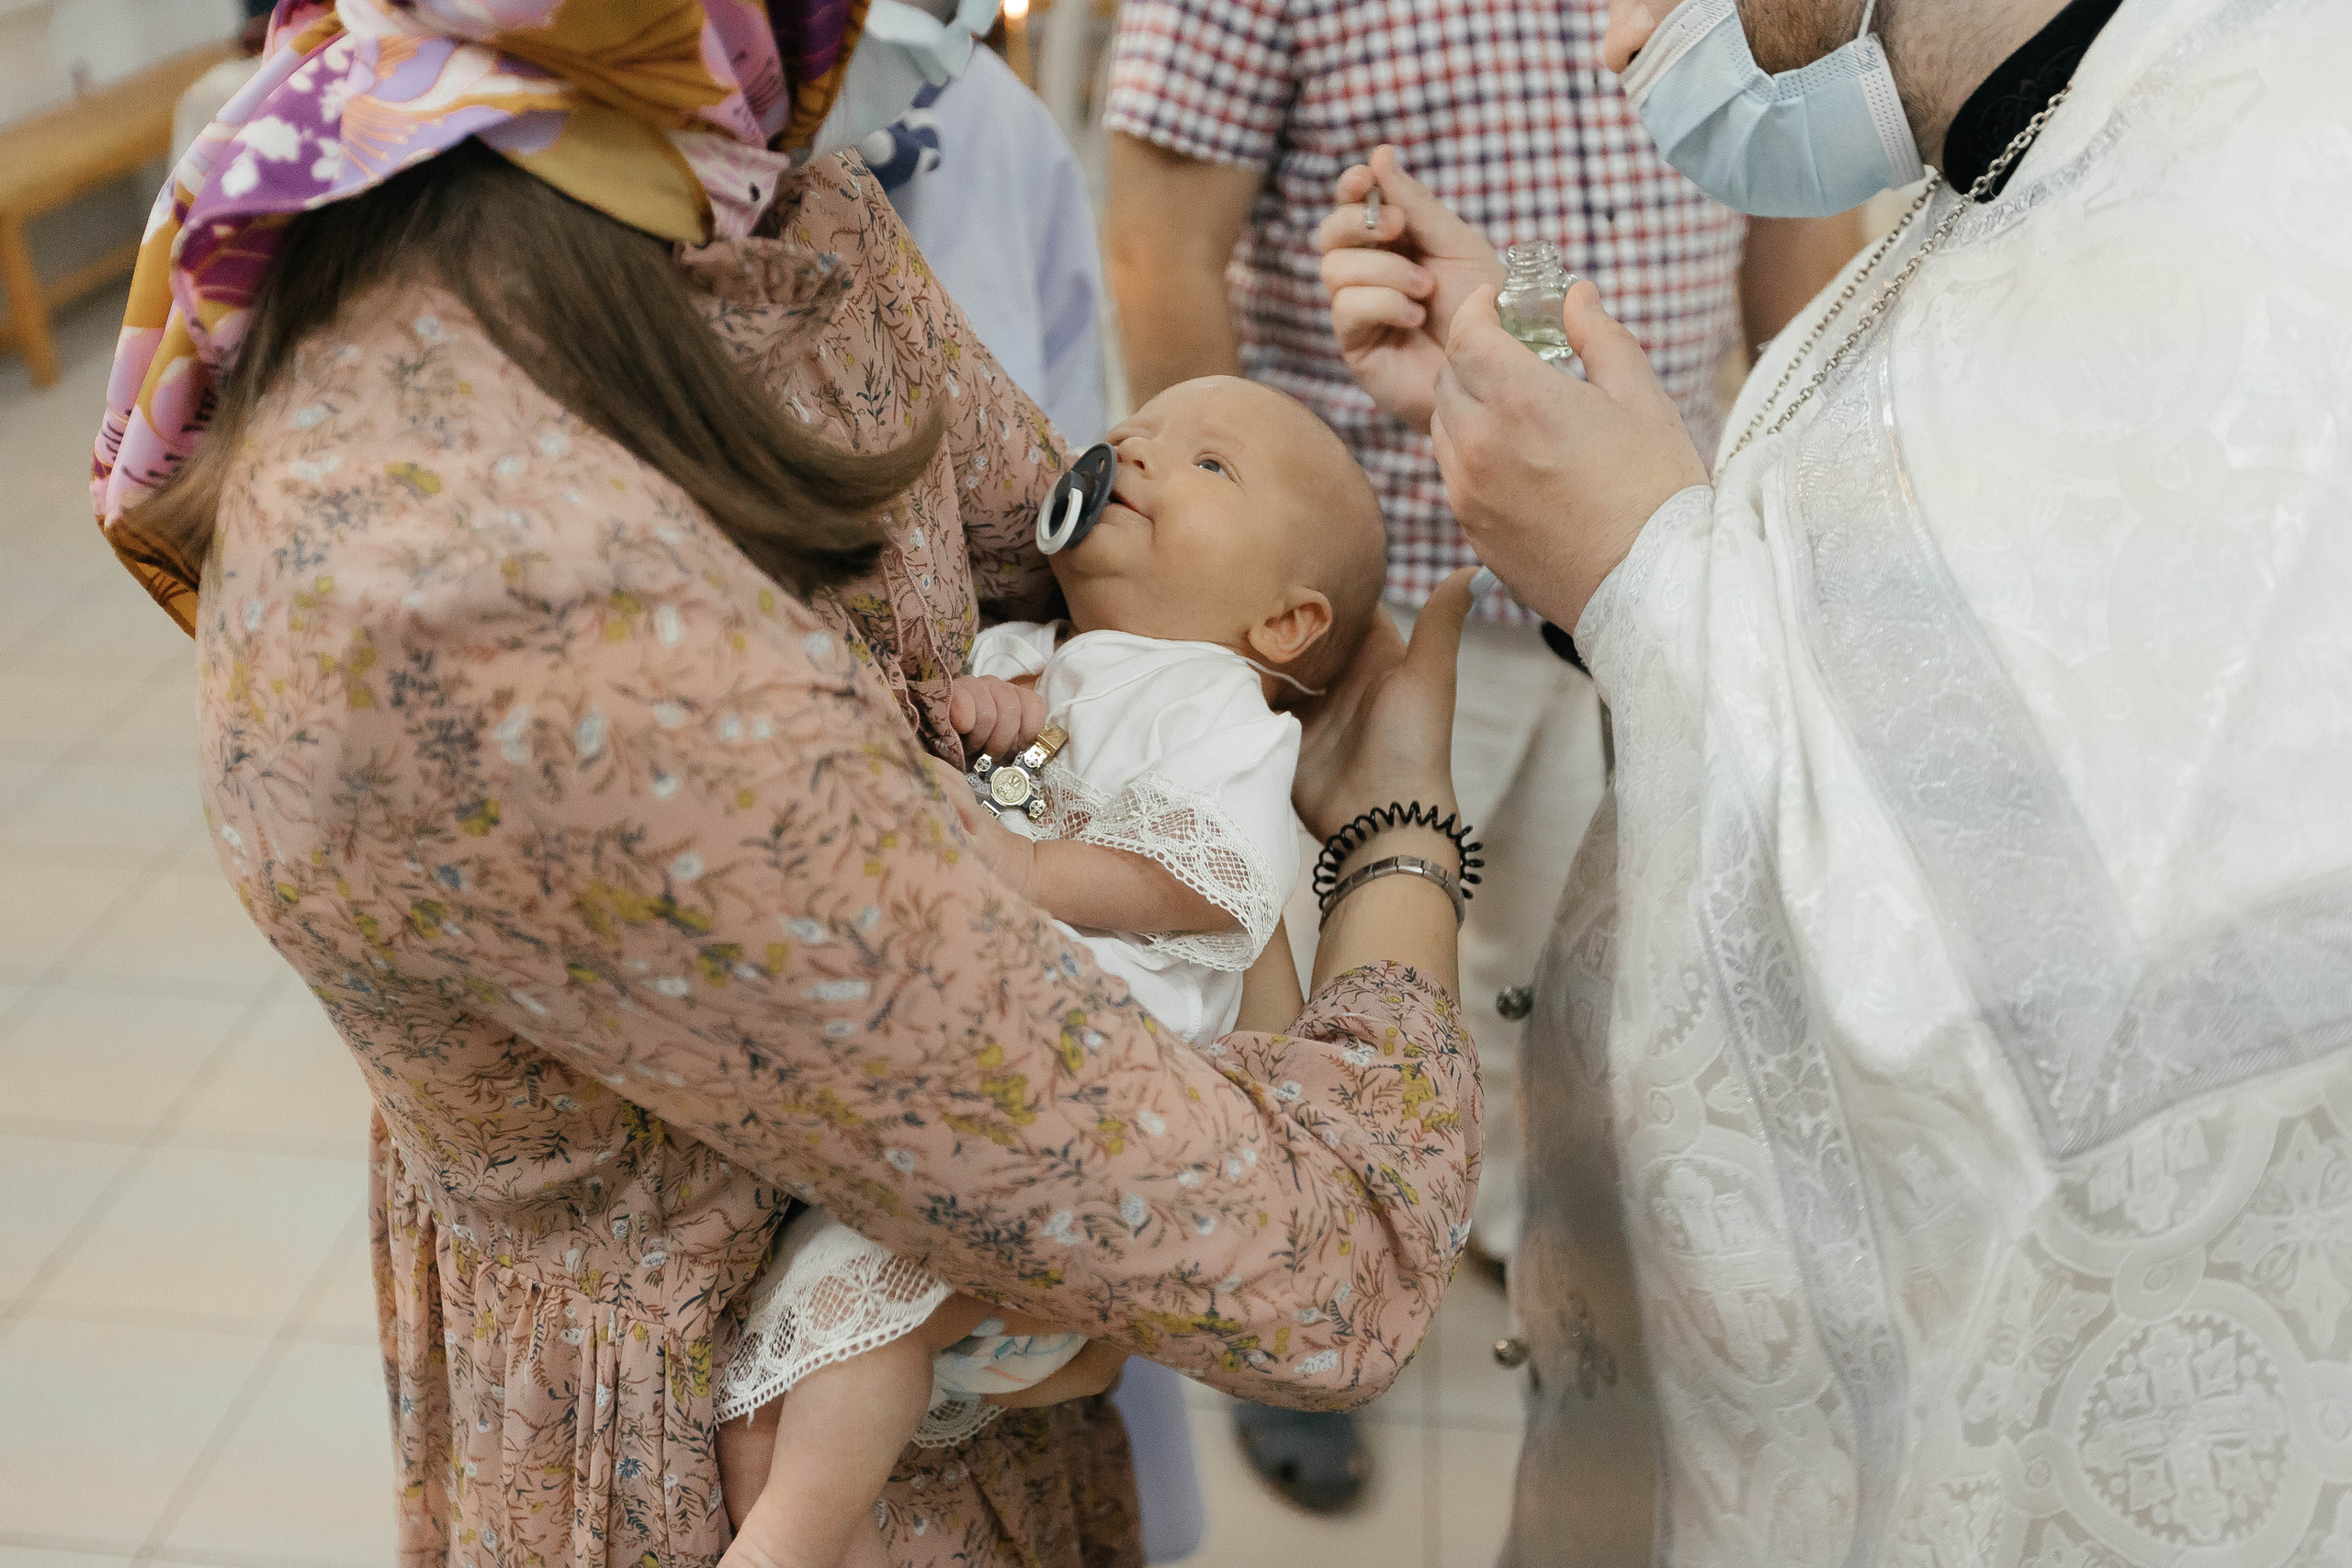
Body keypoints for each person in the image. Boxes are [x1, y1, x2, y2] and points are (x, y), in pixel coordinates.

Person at [87, 2, 1484, 1562]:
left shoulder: (746, 199)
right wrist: (1398, 831)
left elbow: (1061, 551)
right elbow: (1330, 1265)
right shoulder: (507, 590)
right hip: (706, 1448)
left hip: (964, 1280)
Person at [1320, 0, 2352, 1562]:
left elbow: (2044, 1041)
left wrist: (1635, 573)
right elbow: (1878, 640)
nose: (1613, 43)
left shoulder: (2269, 210)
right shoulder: (2057, 138)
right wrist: (1519, 328)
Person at [1099, 0, 1857, 1508]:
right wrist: (1248, 592)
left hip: (1655, 572)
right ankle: (1281, 1304)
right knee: (1318, 962)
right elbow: (1160, 249)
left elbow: (1798, 237)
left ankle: (1512, 1233)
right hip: (1382, 600)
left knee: (1584, 967)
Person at [710, 375, 1393, 1568]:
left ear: (1286, 623)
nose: (1135, 454)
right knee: (786, 1360)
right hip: (976, 1132)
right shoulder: (1038, 656)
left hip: (1086, 1109)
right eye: (1135, 432)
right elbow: (1018, 778)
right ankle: (801, 1538)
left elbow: (1211, 874)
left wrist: (1031, 870)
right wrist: (988, 721)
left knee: (852, 1317)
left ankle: (787, 1545)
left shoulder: (1226, 708)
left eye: (1209, 466)